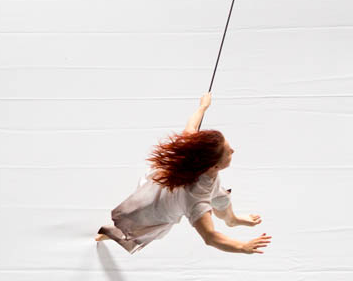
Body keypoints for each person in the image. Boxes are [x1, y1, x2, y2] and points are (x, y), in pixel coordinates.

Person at [96, 92, 270, 254]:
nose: (233, 150)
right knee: (129, 228)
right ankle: (106, 235)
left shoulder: (195, 152)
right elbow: (210, 237)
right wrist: (241, 246)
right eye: (228, 152)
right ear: (214, 165)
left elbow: (192, 126)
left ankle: (232, 220)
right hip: (162, 208)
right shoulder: (195, 198)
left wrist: (203, 107)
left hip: (210, 185)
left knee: (222, 199)